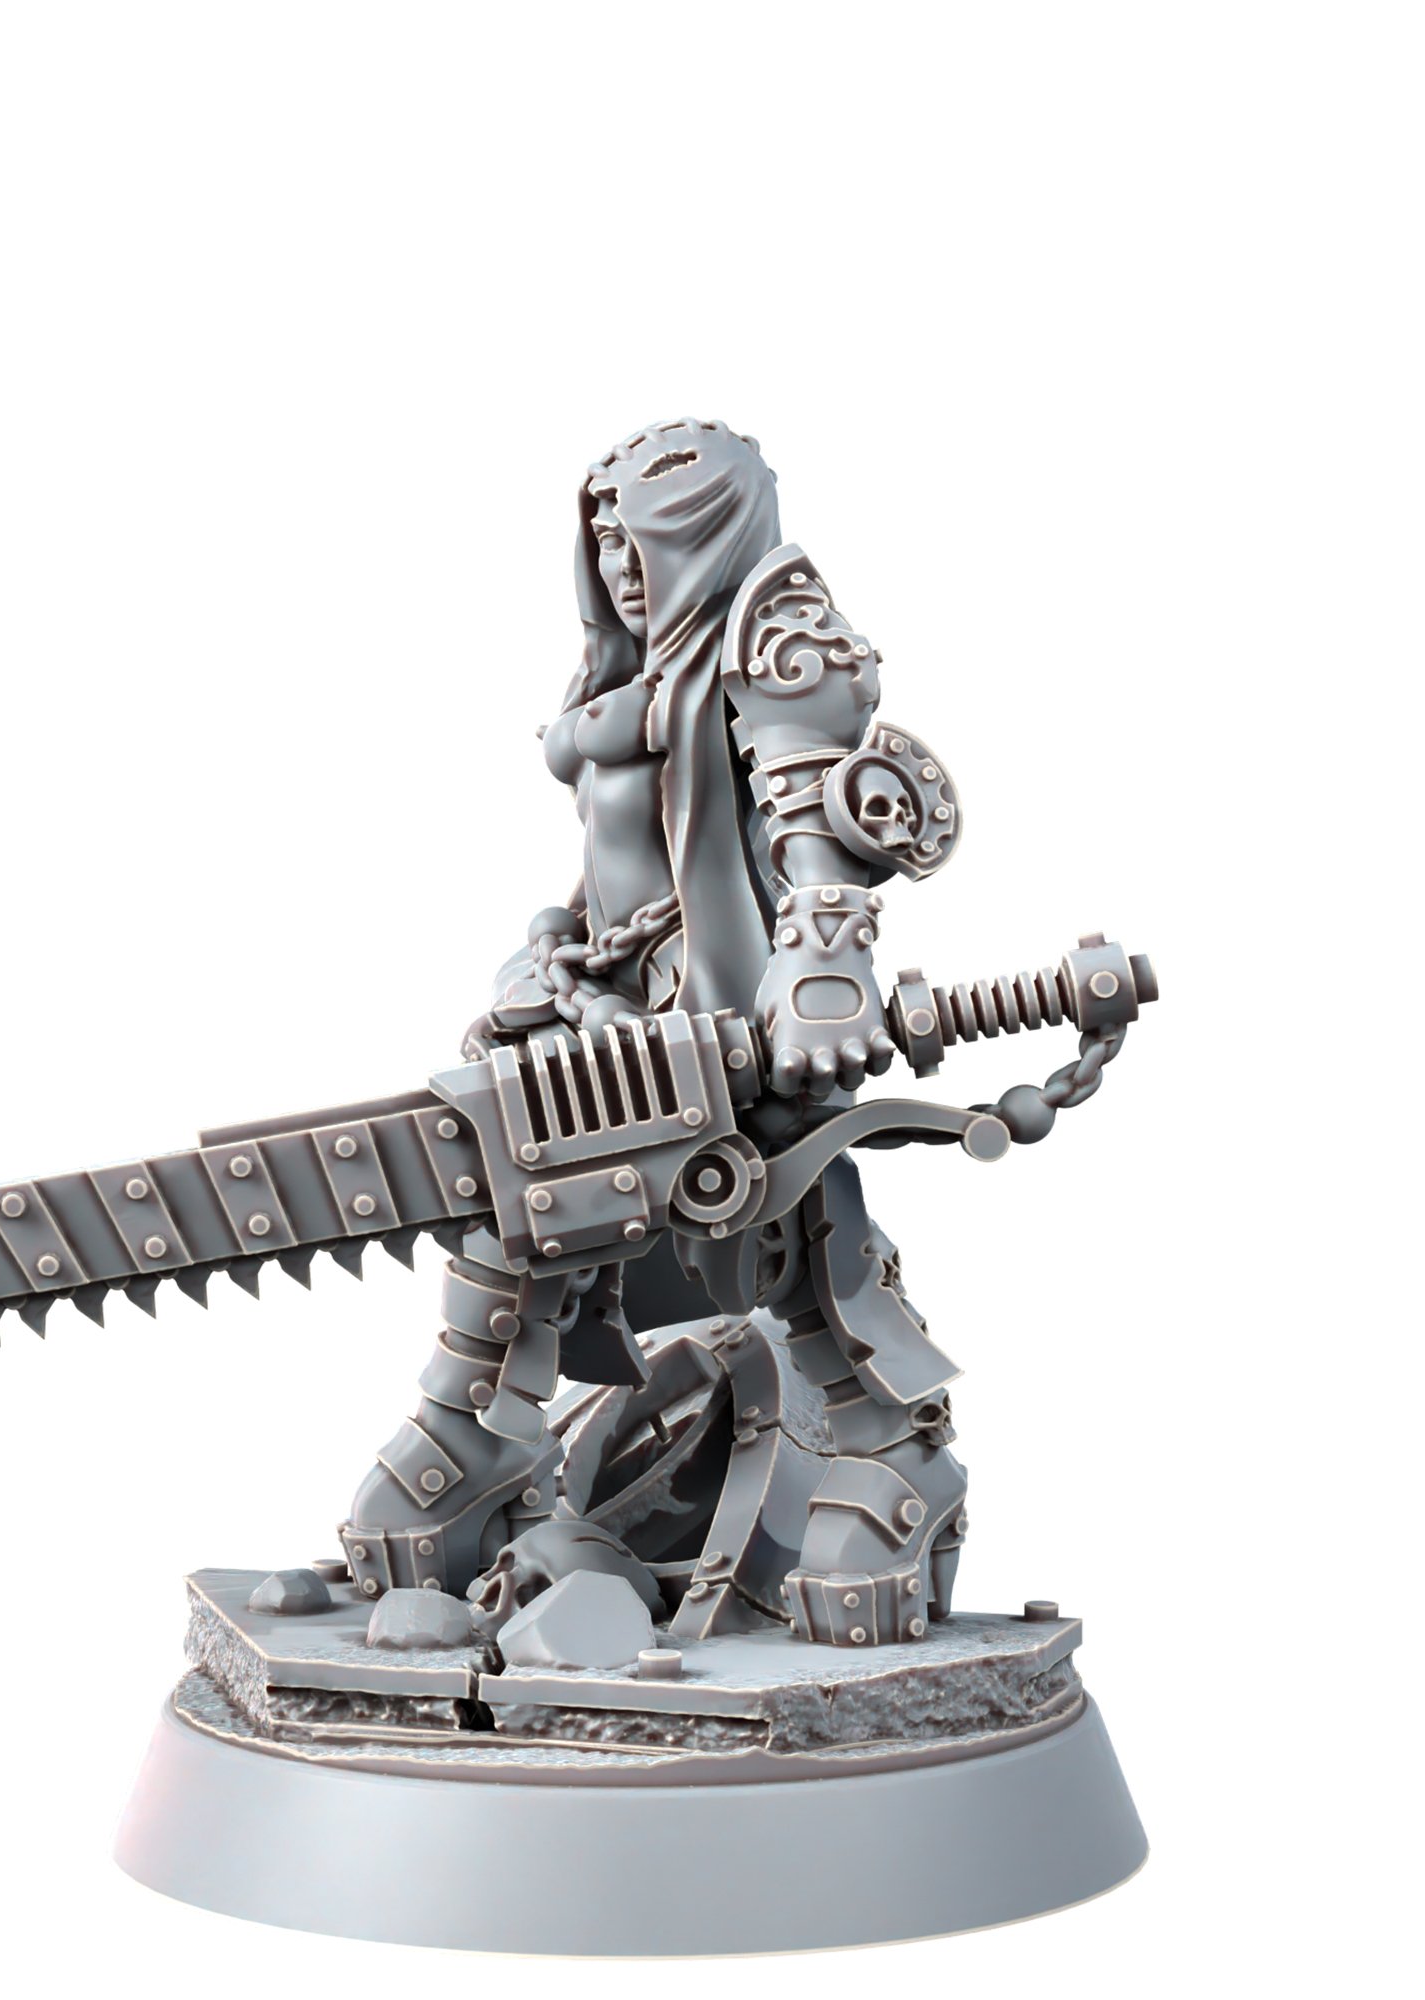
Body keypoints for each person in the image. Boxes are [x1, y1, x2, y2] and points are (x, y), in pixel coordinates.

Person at [338, 420, 969, 1646]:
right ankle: (470, 1437)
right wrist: (555, 948)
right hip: (605, 1008)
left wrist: (819, 973)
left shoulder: (776, 641)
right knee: (518, 1197)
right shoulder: (625, 670)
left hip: (732, 1023)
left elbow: (812, 822)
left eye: (644, 538)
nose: (623, 566)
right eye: (606, 542)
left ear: (708, 531)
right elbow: (618, 861)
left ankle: (898, 1458)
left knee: (792, 1236)